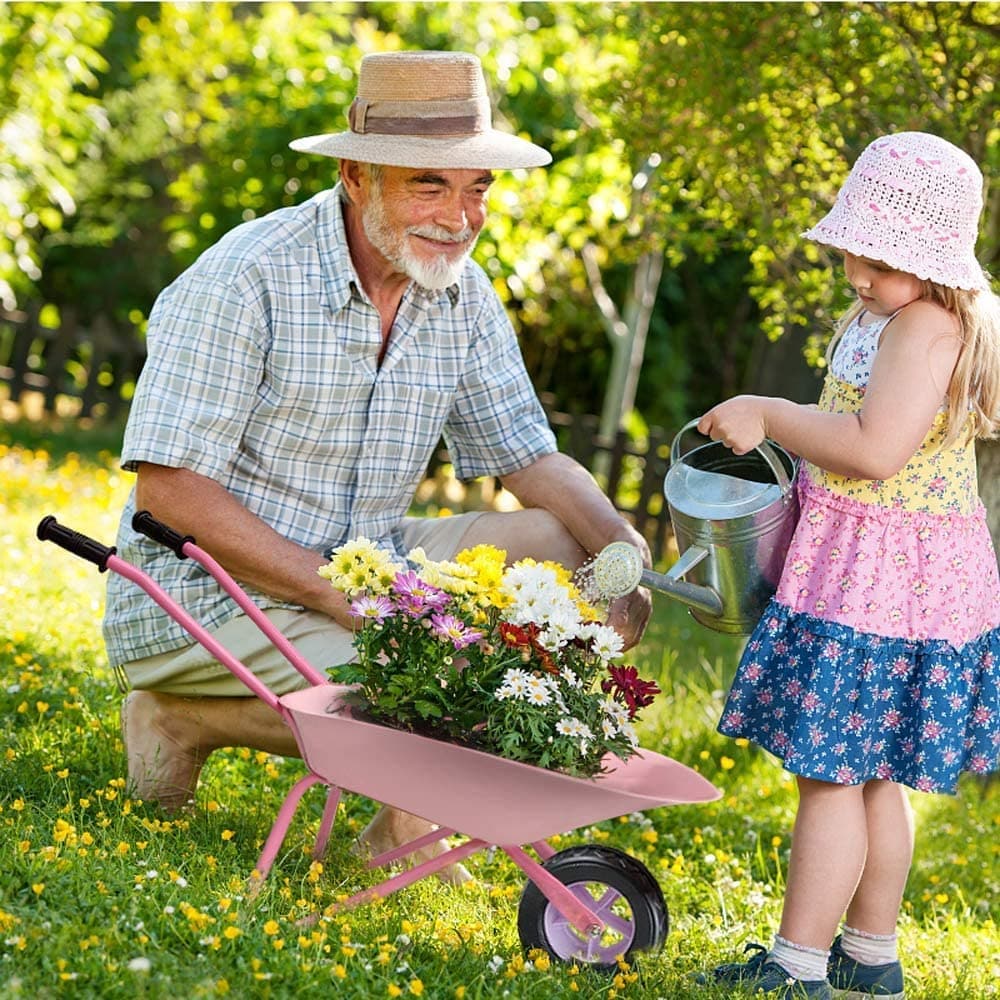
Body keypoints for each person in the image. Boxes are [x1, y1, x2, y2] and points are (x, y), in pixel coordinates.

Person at [102, 51, 652, 865]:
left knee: (566, 549)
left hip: (367, 565)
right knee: (451, 675)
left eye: (477, 189)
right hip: (203, 594)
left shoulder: (463, 294)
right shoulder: (246, 277)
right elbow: (170, 493)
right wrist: (345, 598)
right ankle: (179, 716)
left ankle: (395, 825)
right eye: (430, 185)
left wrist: (622, 551)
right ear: (356, 177)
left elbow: (529, 456)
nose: (461, 218)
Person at [694, 131, 1000, 998]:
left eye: (881, 261)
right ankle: (870, 955)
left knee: (829, 773)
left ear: (933, 262)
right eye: (853, 254)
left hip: (886, 584)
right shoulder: (886, 315)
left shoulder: (928, 324)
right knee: (866, 775)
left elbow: (873, 449)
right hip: (874, 572)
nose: (859, 275)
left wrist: (768, 410)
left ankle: (796, 967)